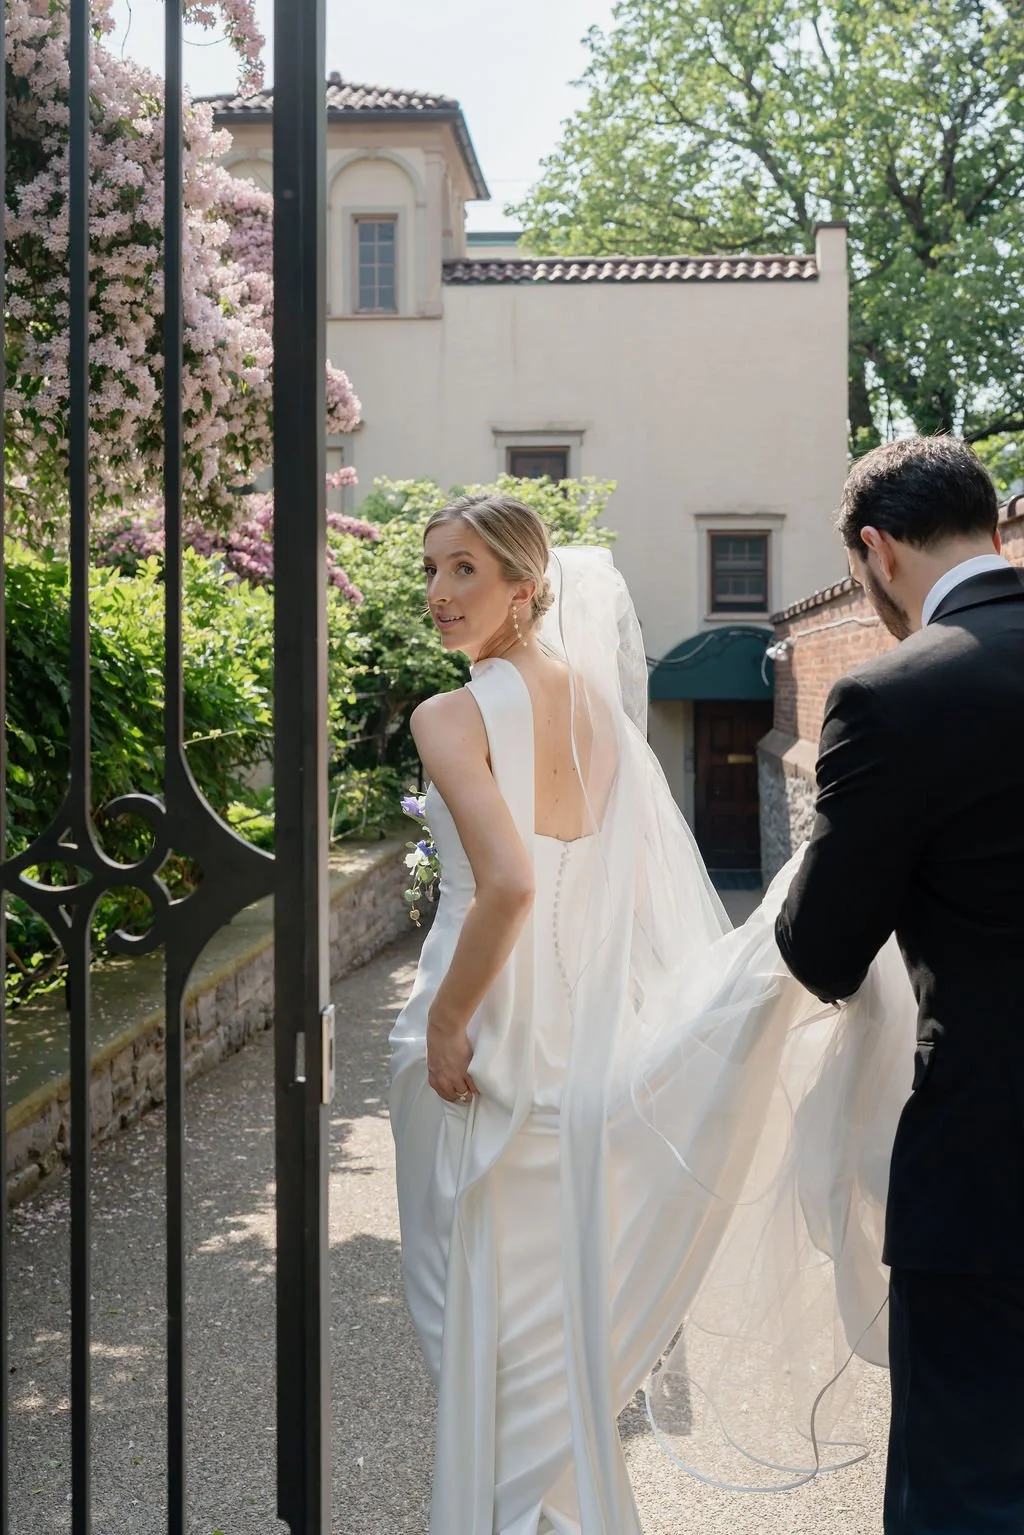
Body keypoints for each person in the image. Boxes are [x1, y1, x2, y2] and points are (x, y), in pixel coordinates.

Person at [389, 488, 921, 1534]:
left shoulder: (447, 715)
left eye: (465, 570)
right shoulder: (592, 707)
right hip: (574, 1046)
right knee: (547, 1329)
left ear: (524, 587)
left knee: (478, 1327)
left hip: (481, 1040)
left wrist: (451, 1020)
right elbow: (617, 892)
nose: (441, 593)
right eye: (430, 568)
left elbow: (507, 884)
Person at [776, 435, 1024, 1534]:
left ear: (873, 552)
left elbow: (823, 944)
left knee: (968, 1485)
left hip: (990, 1159)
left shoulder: (892, 694)